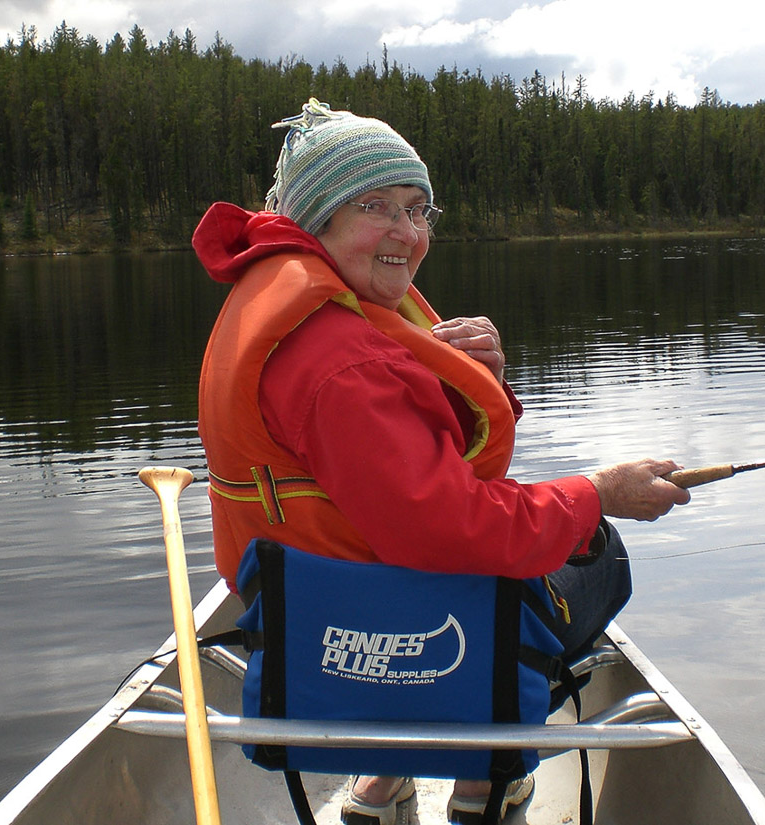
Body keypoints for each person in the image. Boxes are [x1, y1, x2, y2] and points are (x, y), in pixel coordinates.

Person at [193, 98, 690, 825]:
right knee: (598, 555)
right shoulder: (341, 364)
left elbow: (391, 470)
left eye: (417, 208)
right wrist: (598, 492)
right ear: (316, 218)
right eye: (375, 207)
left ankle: (382, 778)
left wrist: (481, 381)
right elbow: (454, 529)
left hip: (311, 616)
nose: (407, 232)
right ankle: (485, 782)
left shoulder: (285, 303)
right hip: (389, 625)